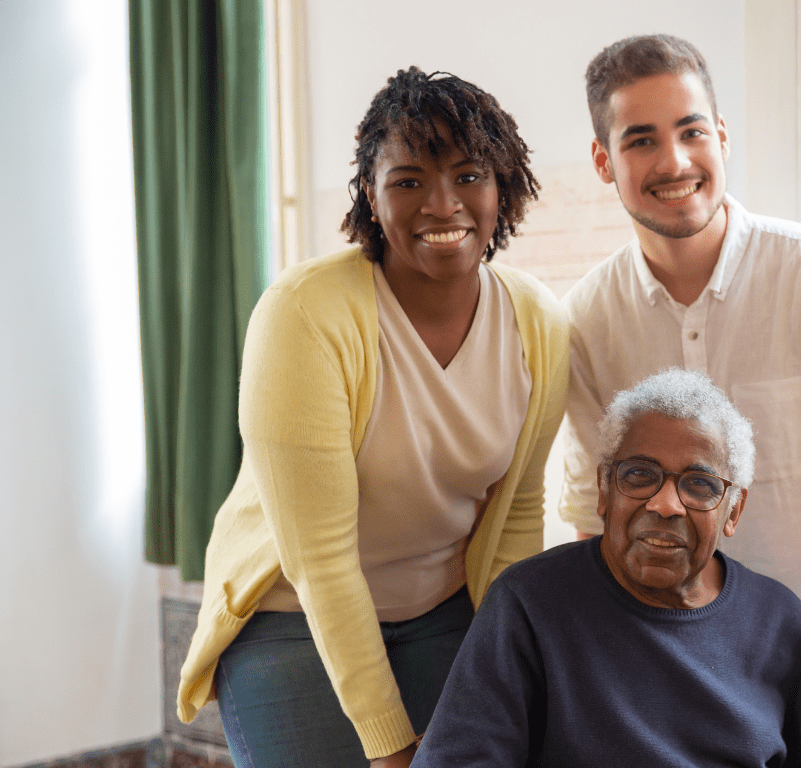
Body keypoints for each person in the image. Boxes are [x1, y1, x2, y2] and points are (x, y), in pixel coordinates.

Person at [174, 67, 569, 768]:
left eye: (469, 175)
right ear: (373, 197)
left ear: (502, 187)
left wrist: (514, 667)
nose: (442, 205)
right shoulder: (305, 316)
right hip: (291, 615)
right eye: (409, 180)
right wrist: (390, 748)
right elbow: (320, 561)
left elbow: (517, 515)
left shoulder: (537, 321)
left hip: (446, 609)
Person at [559, 35, 801, 768]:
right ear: (604, 162)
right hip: (665, 687)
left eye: (691, 130)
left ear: (721, 136)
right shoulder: (584, 322)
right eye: (642, 140)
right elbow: (590, 518)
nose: (674, 162)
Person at [412, 369, 801, 768]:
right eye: (639, 475)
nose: (665, 503)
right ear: (603, 490)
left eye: (698, 485)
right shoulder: (528, 605)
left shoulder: (780, 621)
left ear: (733, 511)